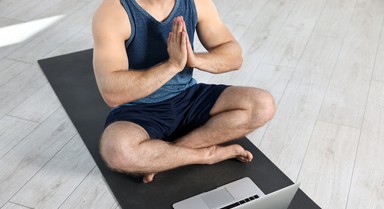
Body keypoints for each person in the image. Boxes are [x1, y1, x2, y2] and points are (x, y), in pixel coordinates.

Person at [92, 0, 275, 183]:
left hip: (188, 97)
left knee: (262, 105)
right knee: (117, 150)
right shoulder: (113, 12)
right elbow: (111, 92)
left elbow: (234, 56)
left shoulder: (196, 2)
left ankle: (167, 156)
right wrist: (172, 66)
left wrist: (193, 59)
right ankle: (205, 155)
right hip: (137, 109)